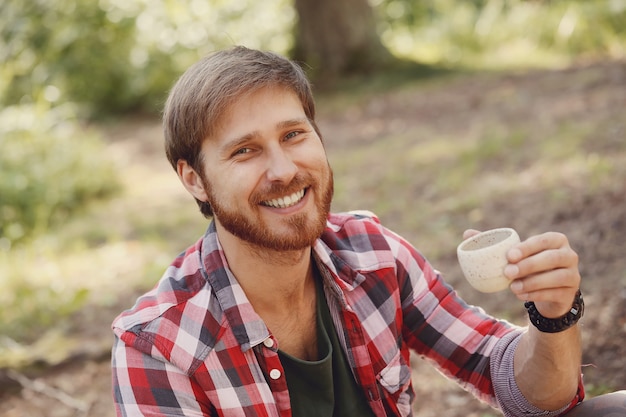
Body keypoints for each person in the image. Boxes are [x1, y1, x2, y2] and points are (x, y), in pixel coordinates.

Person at [111, 46, 625, 417]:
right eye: (245, 150)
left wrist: (554, 316)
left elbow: (519, 387)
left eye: (294, 135)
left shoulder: (372, 255)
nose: (284, 169)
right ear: (194, 179)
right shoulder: (157, 346)